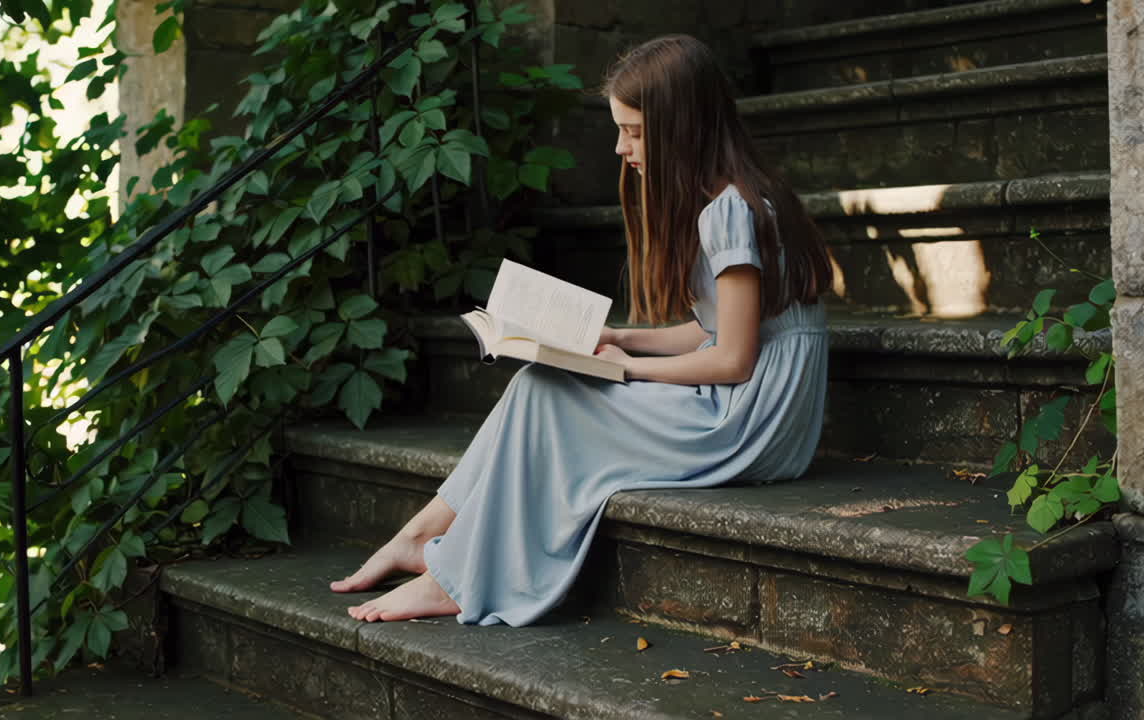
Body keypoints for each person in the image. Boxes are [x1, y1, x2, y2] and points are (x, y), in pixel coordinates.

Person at [331, 34, 833, 625]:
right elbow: (711, 330)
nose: (621, 147)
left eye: (636, 132)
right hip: (744, 404)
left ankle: (459, 577)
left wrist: (623, 368)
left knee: (548, 392)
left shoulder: (730, 210)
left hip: (747, 422)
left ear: (685, 128)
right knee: (534, 385)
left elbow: (733, 361)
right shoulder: (732, 199)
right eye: (619, 129)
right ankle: (423, 536)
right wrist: (625, 337)